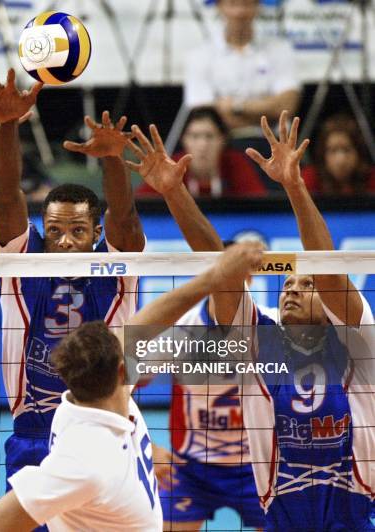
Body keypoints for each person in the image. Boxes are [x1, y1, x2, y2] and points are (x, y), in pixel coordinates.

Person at [0, 243, 265, 532]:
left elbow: (148, 322)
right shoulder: (82, 462)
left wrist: (215, 278)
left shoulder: (97, 398)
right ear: (122, 370)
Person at [0, 69, 146, 494]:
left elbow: (124, 219)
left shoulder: (114, 273)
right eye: (55, 231)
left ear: (96, 234)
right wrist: (7, 124)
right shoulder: (23, 264)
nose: (65, 241)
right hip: (33, 435)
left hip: (105, 431)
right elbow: (5, 198)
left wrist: (111, 156)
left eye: (77, 231)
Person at [207, 111, 374, 530]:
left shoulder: (360, 342)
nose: (291, 289)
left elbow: (329, 271)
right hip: (283, 516)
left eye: (306, 284)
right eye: (286, 283)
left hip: (350, 514)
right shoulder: (260, 343)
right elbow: (219, 270)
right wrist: (173, 194)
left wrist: (295, 186)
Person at [127, 124, 267, 530]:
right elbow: (112, 383)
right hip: (191, 469)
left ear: (249, 279)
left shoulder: (266, 326)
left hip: (256, 466)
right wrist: (147, 444)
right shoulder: (181, 332)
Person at [183, 0, 300, 177]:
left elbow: (287, 106)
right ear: (219, 6)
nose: (239, 12)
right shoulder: (200, 55)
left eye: (246, 4)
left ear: (257, 6)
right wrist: (267, 110)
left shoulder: (279, 49)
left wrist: (235, 107)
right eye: (232, 4)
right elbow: (204, 115)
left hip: (273, 144)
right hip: (223, 146)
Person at [136, 106, 266, 198]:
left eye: (209, 136)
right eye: (195, 136)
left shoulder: (236, 163)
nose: (202, 145)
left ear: (223, 140)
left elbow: (260, 206)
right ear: (184, 140)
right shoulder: (172, 166)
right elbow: (140, 205)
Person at [302, 114, 375, 195]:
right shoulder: (309, 178)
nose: (340, 160)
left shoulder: (372, 178)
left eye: (347, 150)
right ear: (323, 154)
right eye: (333, 151)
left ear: (359, 152)